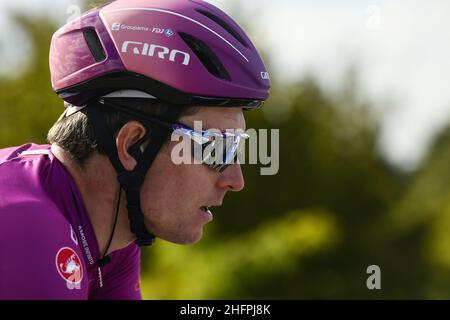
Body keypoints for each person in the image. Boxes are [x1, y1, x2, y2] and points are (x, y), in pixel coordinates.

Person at [0, 0, 270, 300]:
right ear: (132, 145)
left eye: (237, 149)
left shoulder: (112, 240)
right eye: (216, 149)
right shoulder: (22, 231)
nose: (235, 179)